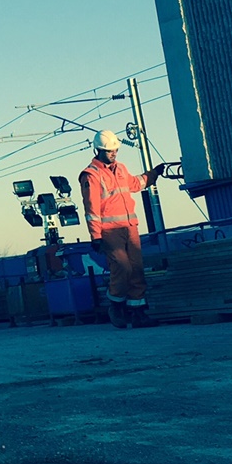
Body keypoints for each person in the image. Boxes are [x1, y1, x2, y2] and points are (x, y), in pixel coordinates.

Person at [81, 130, 164, 329]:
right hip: (109, 231)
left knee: (136, 269)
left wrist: (154, 174)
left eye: (115, 150)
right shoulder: (91, 175)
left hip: (129, 227)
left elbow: (135, 183)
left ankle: (138, 313)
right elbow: (91, 208)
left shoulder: (120, 169)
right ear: (99, 150)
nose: (114, 154)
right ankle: (116, 304)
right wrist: (96, 236)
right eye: (110, 151)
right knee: (123, 267)